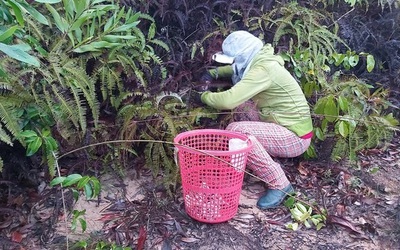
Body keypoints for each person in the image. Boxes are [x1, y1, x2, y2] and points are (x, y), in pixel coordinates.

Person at [195, 30, 313, 209]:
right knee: (243, 108)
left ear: (243, 55)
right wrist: (214, 73)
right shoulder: (261, 60)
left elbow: (228, 100)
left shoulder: (263, 70)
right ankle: (245, 164)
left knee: (237, 131)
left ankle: (280, 184)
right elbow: (236, 68)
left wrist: (203, 96)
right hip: (281, 124)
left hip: (295, 136)